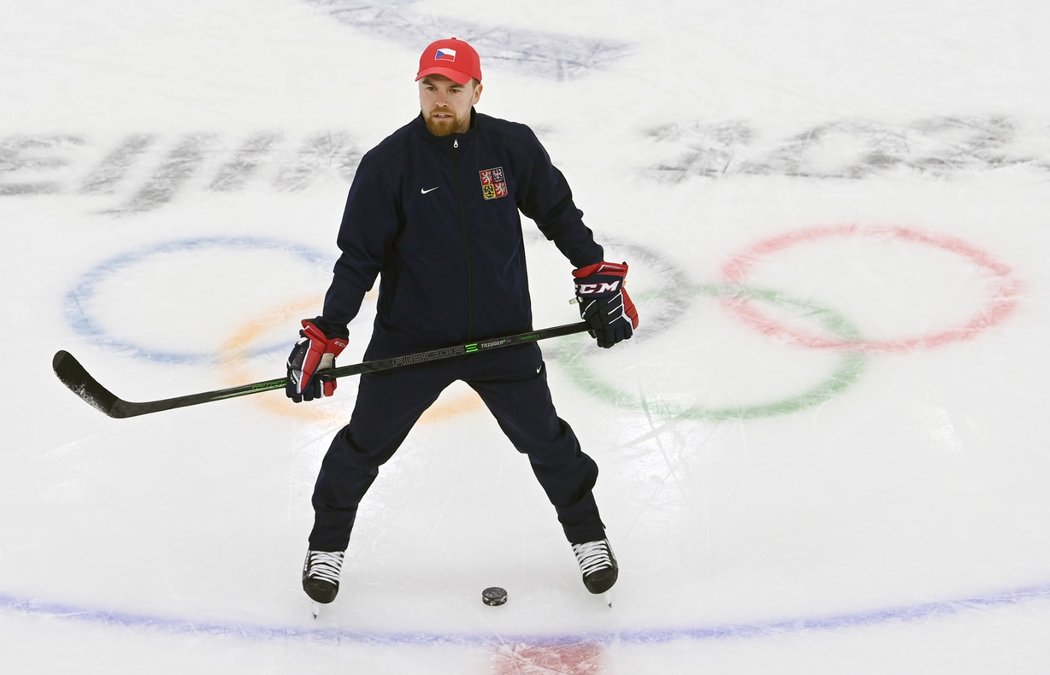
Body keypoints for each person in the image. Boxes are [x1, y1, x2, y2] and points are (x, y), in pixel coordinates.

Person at [285, 37, 639, 608]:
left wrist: (594, 269)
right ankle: (326, 547)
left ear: (477, 89)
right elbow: (359, 258)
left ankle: (589, 537)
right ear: (418, 89)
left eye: (454, 88)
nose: (441, 100)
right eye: (431, 87)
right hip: (412, 341)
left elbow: (557, 213)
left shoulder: (509, 146)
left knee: (548, 443)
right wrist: (329, 332)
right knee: (362, 447)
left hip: (503, 337)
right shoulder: (389, 164)